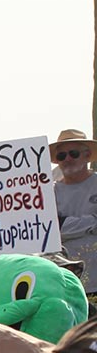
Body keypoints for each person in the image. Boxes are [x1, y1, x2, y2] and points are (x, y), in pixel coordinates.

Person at [52, 128, 97, 298]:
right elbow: (52, 228)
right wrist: (93, 221)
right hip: (65, 285)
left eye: (73, 153)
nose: (67, 159)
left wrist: (65, 223)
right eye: (61, 156)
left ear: (87, 155)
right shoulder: (48, 193)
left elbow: (61, 226)